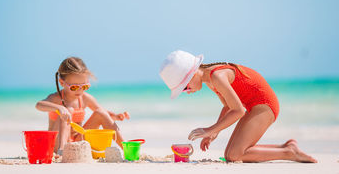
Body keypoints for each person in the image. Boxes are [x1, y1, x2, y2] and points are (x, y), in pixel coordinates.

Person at [159, 50, 317, 163]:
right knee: (229, 154)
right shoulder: (209, 79)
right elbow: (229, 106)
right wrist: (214, 132)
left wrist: (210, 129)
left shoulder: (217, 76)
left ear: (192, 74)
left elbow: (238, 111)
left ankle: (289, 153)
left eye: (185, 87)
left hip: (264, 105)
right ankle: (286, 146)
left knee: (235, 155)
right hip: (254, 105)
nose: (187, 92)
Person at [36, 56, 130, 153]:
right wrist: (59, 108)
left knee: (100, 112)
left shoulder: (85, 98)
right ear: (61, 82)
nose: (80, 90)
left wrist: (116, 116)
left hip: (77, 141)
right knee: (69, 109)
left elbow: (104, 114)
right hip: (55, 144)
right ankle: (62, 151)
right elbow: (39, 105)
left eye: (84, 86)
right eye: (74, 87)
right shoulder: (56, 98)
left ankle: (127, 148)